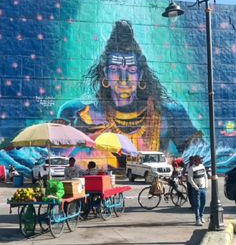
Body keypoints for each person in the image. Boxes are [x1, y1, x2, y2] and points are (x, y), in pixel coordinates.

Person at [57, 20, 202, 155]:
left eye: (131, 70)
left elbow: (199, 154)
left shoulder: (170, 113)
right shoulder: (79, 113)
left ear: (141, 75)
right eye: (115, 69)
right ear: (105, 74)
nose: (124, 78)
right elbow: (57, 153)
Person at [188, 155, 208, 226]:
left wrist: (206, 185)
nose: (201, 160)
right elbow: (190, 179)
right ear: (195, 160)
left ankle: (201, 216)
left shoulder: (202, 166)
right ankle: (197, 219)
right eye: (200, 159)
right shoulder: (191, 168)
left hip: (203, 188)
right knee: (197, 204)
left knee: (203, 203)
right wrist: (196, 187)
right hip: (196, 189)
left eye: (201, 159)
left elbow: (205, 176)